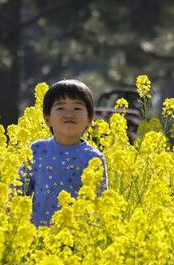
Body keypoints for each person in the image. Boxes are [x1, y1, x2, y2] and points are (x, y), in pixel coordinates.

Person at [12, 79, 108, 226]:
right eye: (61, 108)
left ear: (89, 119)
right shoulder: (37, 150)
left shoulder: (93, 157)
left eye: (77, 108)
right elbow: (18, 190)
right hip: (38, 237)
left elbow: (100, 202)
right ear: (47, 119)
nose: (69, 113)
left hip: (77, 238)